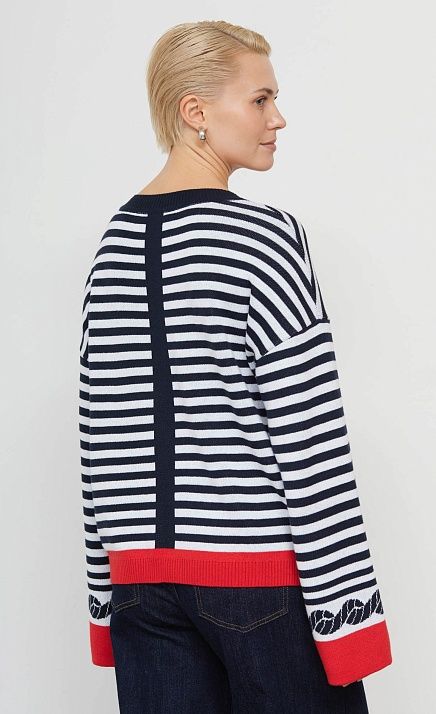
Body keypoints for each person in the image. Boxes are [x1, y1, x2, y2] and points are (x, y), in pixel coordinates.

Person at [79, 19, 392, 713]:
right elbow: (310, 439)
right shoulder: (263, 238)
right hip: (258, 587)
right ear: (195, 111)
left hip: (141, 587)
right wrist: (351, 624)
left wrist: (107, 600)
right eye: (260, 99)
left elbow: (98, 433)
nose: (278, 118)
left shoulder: (113, 244)